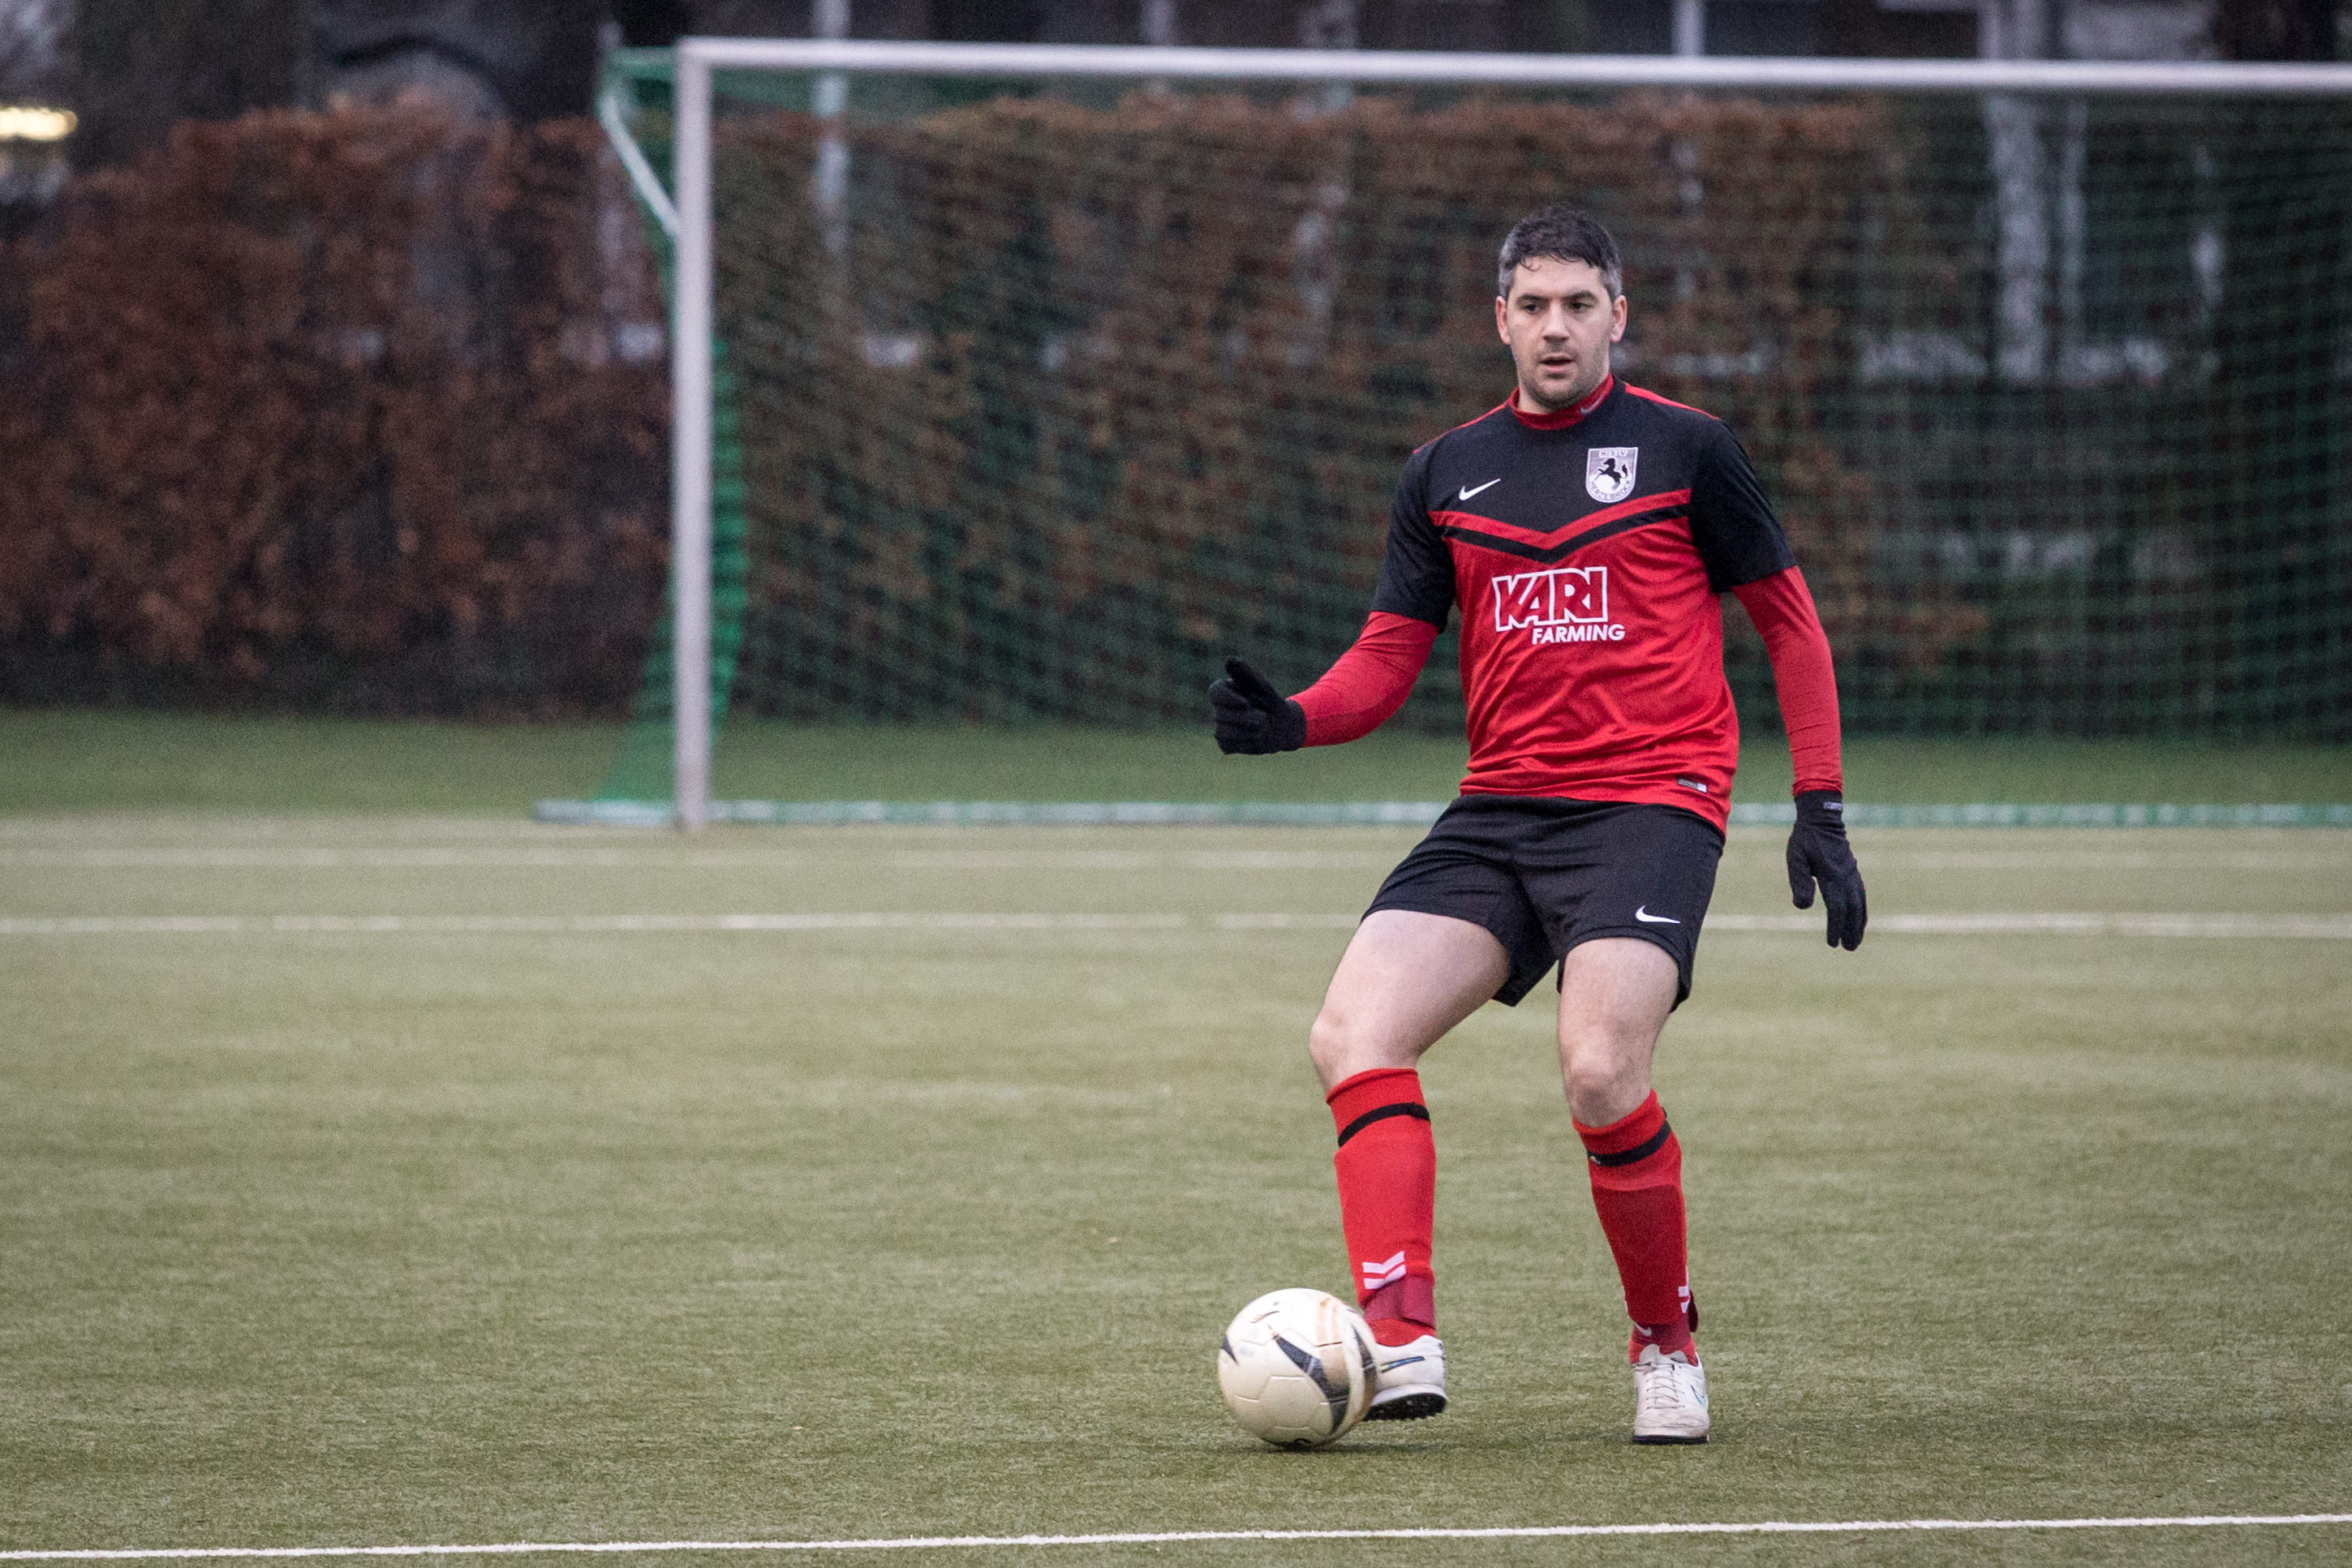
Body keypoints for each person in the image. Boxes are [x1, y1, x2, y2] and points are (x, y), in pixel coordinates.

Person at [1207, 205, 1865, 1445]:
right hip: (1502, 806)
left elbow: (1789, 622)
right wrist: (1292, 719)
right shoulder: (1444, 470)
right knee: (1351, 1033)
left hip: (1652, 801)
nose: (1555, 327)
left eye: (1578, 304)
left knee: (1602, 1068)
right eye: (1533, 305)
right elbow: (1385, 662)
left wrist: (1818, 803)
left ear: (1619, 314)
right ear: (1498, 319)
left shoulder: (1688, 448)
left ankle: (1665, 1344)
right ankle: (1399, 1333)